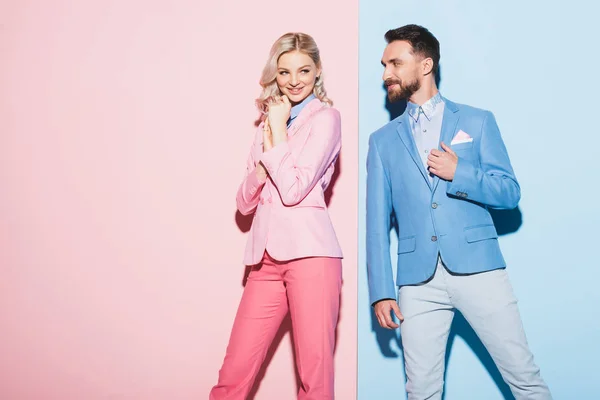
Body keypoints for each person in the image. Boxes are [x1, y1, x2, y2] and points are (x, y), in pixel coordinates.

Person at [366, 24, 552, 400]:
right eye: (384, 65)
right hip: (416, 283)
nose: (386, 73)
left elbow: (508, 192)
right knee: (421, 391)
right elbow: (375, 224)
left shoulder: (477, 121)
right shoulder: (381, 141)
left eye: (396, 63)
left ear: (426, 64)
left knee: (524, 378)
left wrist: (459, 174)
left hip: (479, 269)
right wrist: (381, 291)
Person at [210, 32, 343, 400]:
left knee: (314, 378)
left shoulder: (326, 119)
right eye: (284, 72)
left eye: (304, 70)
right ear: (275, 74)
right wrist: (269, 149)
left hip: (312, 256)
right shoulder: (266, 124)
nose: (294, 80)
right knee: (233, 373)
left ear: (317, 72)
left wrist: (277, 137)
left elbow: (295, 189)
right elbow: (244, 202)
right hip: (265, 260)